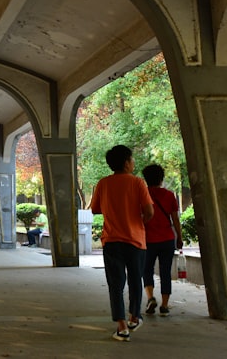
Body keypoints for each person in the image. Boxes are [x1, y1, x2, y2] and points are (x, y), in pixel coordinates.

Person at [89, 144, 153, 342]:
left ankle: (122, 327)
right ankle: (135, 317)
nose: (133, 163)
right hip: (135, 241)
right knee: (135, 280)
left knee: (115, 284)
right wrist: (136, 222)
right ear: (126, 163)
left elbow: (95, 209)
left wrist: (114, 210)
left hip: (112, 241)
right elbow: (149, 212)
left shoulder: (103, 184)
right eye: (132, 159)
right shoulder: (138, 183)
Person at [141, 164, 183, 317]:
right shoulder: (169, 195)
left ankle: (150, 297)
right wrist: (179, 237)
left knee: (147, 270)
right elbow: (175, 219)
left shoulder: (143, 194)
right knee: (165, 272)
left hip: (148, 239)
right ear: (161, 178)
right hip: (167, 239)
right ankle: (164, 306)